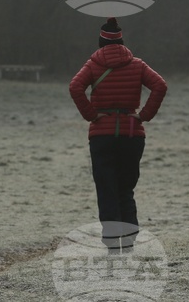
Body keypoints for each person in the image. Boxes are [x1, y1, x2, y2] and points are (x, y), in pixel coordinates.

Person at [69, 17, 167, 252]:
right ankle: (130, 239)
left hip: (101, 136)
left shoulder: (92, 65)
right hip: (132, 134)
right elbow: (160, 85)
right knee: (126, 188)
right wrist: (143, 116)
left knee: (106, 189)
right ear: (122, 41)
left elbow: (75, 87)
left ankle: (113, 243)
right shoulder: (137, 64)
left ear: (101, 42)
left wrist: (92, 115)